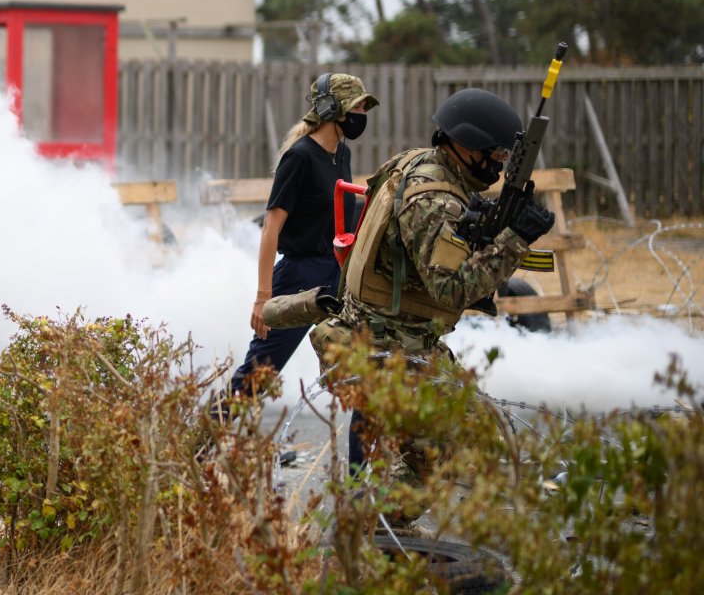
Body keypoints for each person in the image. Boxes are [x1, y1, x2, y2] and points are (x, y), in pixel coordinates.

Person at [309, 87, 556, 523]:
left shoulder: (419, 164)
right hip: (387, 347)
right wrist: (514, 240)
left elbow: (436, 236)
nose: (499, 164)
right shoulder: (433, 201)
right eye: (494, 154)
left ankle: (375, 529)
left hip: (400, 339)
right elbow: (451, 290)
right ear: (466, 146)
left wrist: (488, 216)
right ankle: (368, 532)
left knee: (475, 436)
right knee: (438, 456)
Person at [223, 73, 377, 404]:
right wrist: (264, 297)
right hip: (298, 277)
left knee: (364, 374)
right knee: (257, 377)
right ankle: (199, 449)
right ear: (332, 109)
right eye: (357, 106)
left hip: (336, 276)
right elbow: (271, 228)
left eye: (365, 107)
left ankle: (359, 458)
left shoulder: (342, 155)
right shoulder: (300, 157)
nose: (362, 114)